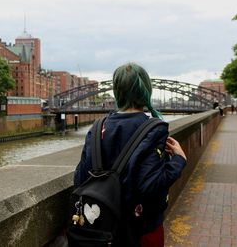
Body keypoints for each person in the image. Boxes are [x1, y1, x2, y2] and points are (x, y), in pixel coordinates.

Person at [74, 63, 188, 247]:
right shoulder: (154, 129)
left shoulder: (97, 128)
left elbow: (80, 179)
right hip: (141, 230)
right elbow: (151, 185)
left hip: (102, 229)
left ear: (117, 91)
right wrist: (179, 161)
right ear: (145, 90)